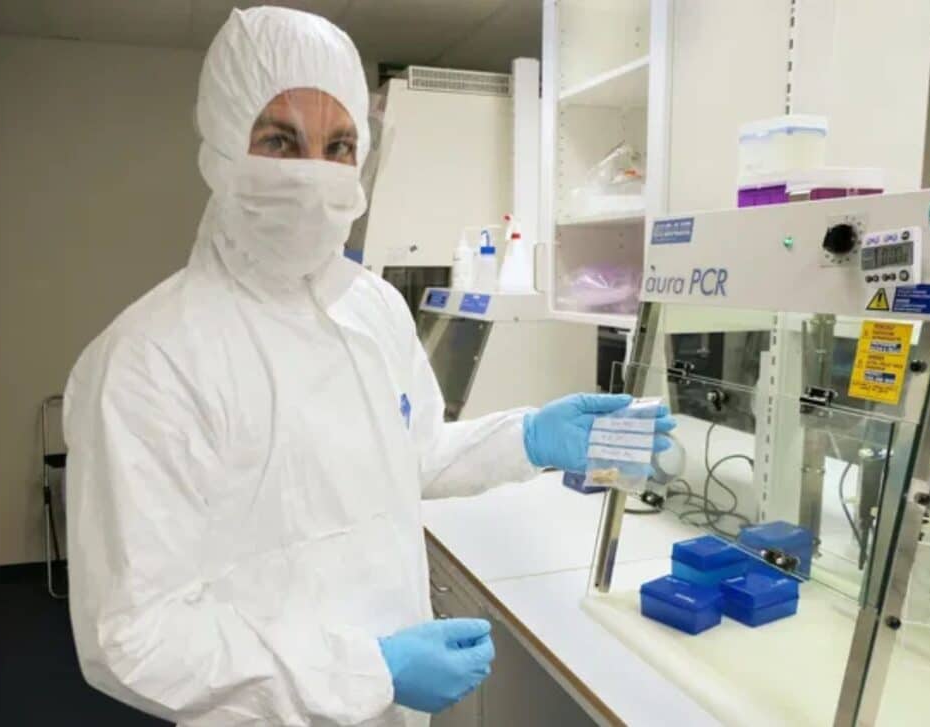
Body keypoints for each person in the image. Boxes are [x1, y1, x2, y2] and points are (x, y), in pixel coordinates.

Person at [62, 6, 674, 727]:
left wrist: (531, 437)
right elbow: (133, 634)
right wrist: (368, 669)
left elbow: (413, 457)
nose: (313, 176)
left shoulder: (375, 309)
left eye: (339, 144)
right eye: (280, 142)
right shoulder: (149, 360)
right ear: (224, 150)